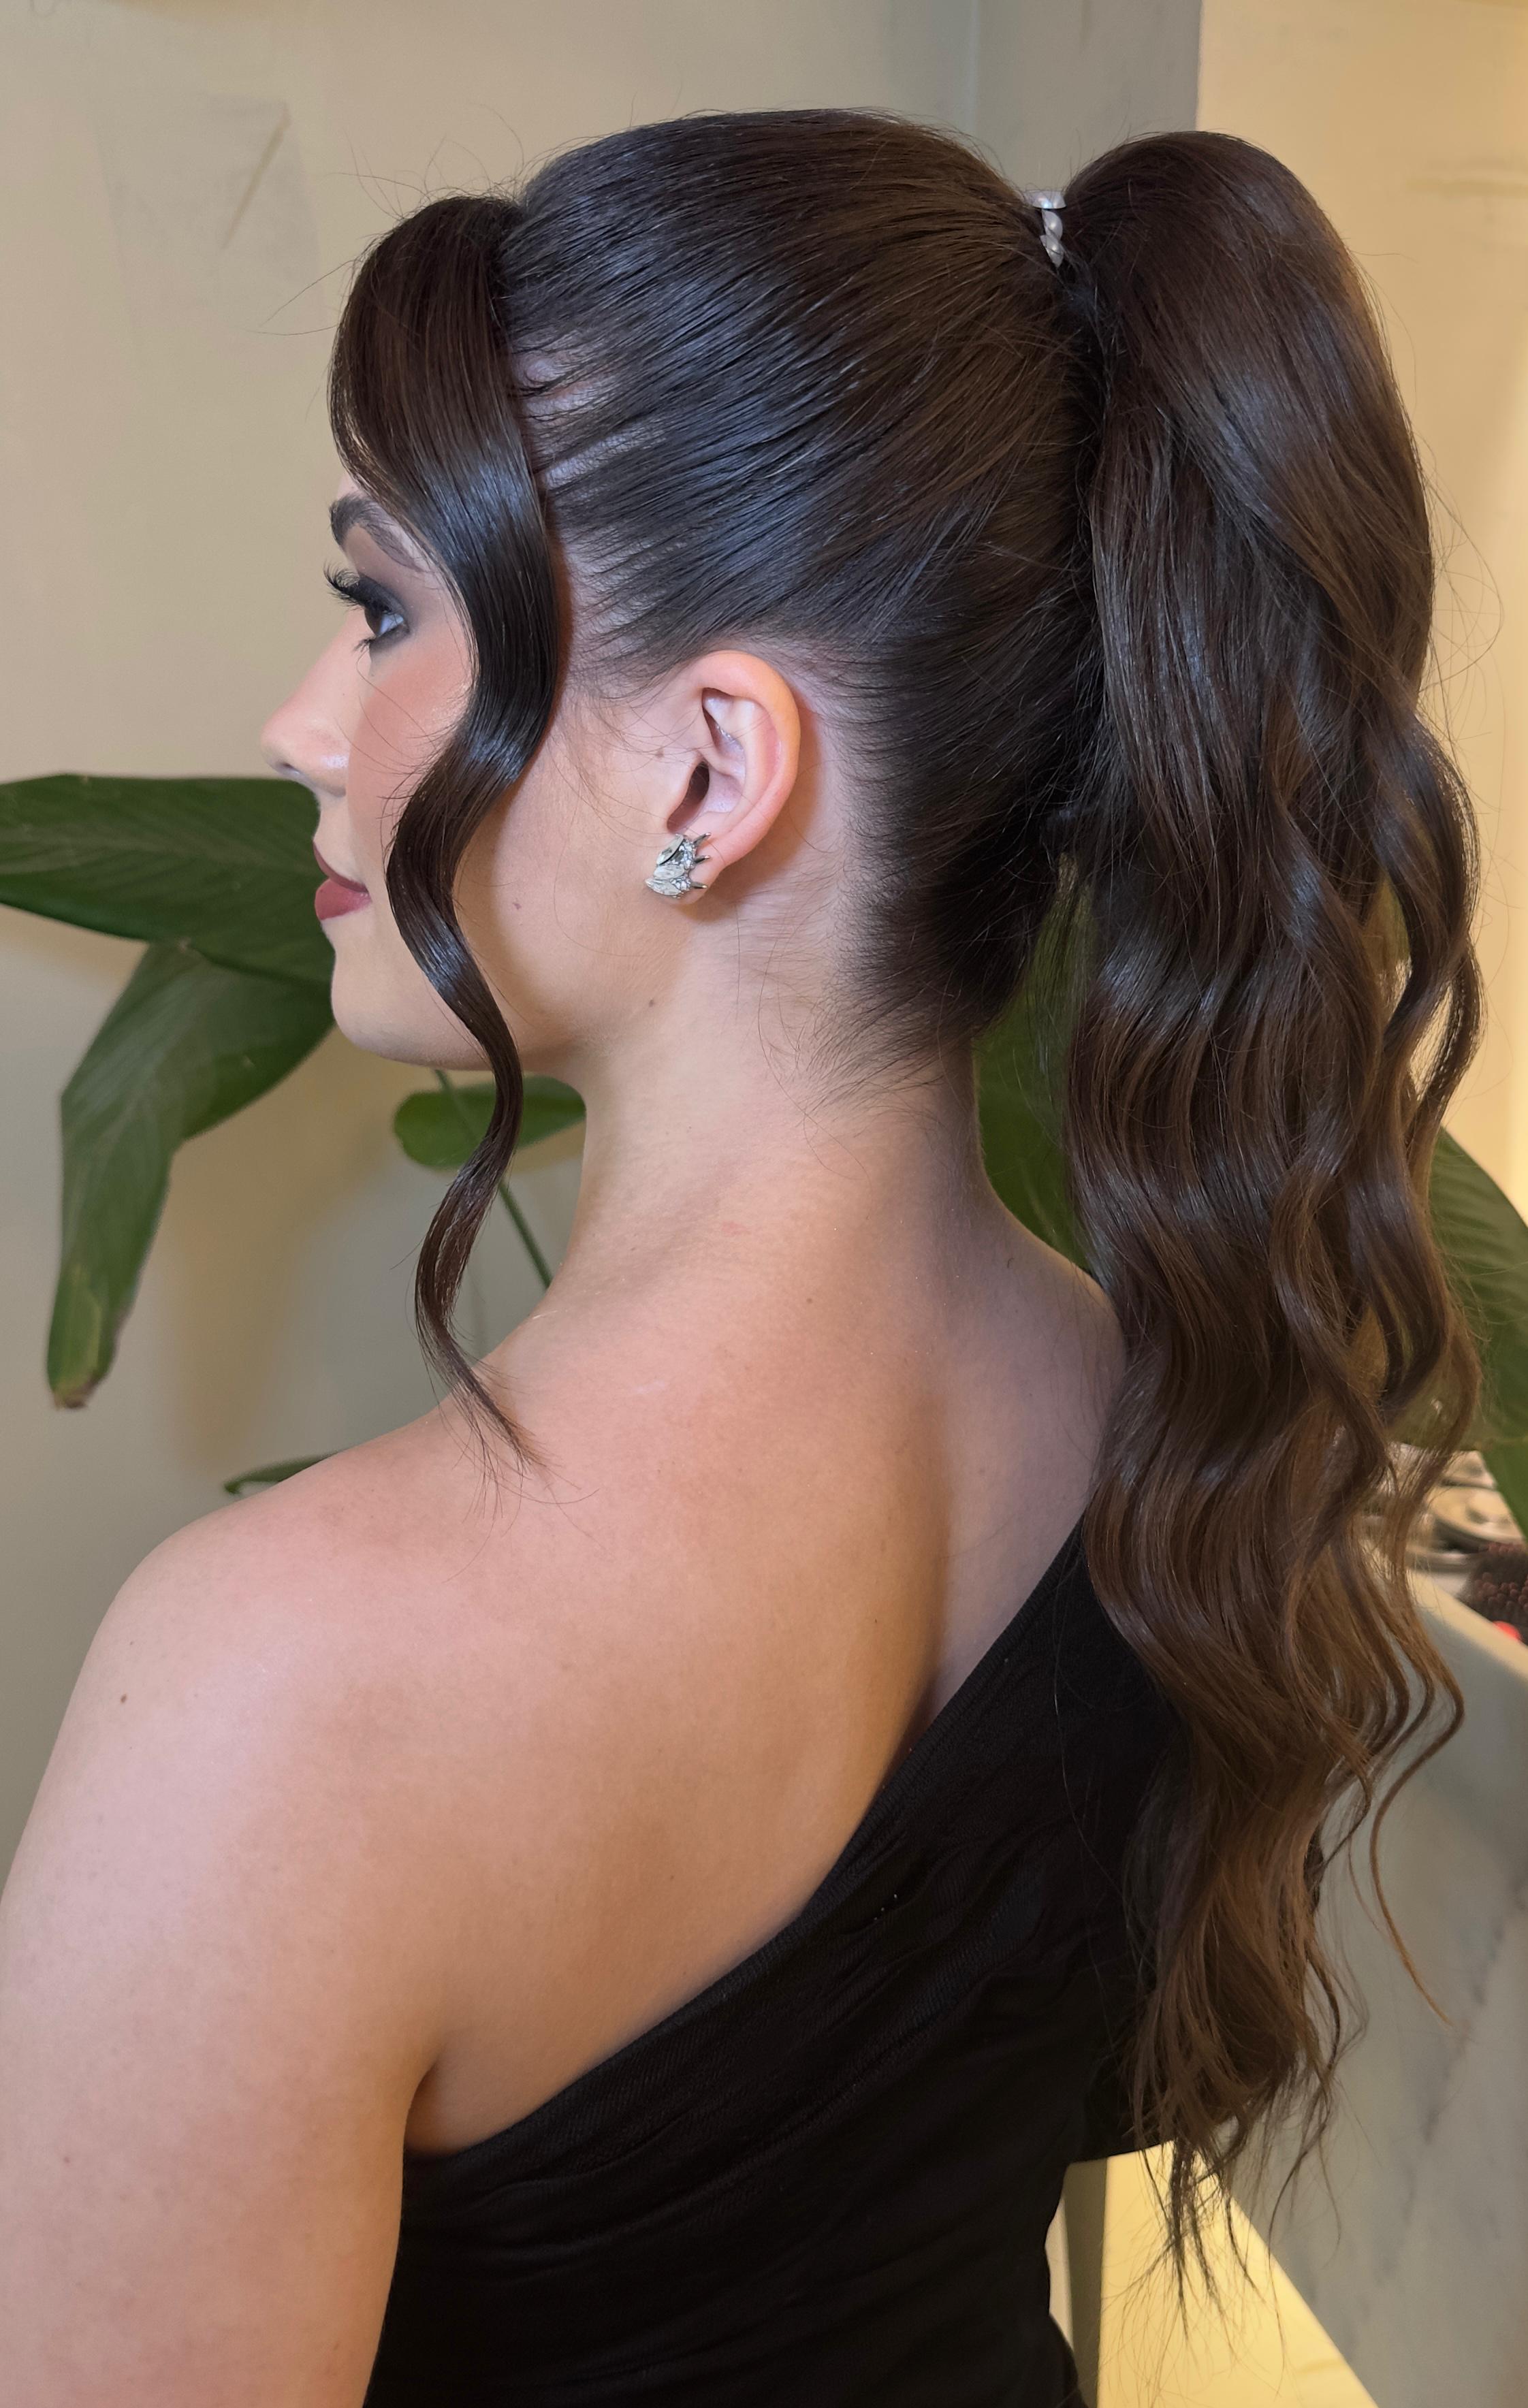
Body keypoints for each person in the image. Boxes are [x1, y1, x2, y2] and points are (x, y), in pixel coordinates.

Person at [0, 109, 1484, 2406]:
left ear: (710, 776)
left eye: (384, 612)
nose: (303, 726)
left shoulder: (277, 1694)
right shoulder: (1164, 1406)